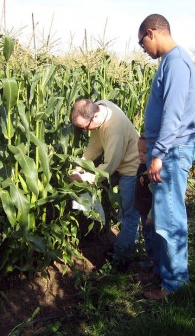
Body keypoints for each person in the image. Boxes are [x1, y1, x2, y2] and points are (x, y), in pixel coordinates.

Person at [138, 14, 195, 300]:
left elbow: (173, 113)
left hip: (172, 152)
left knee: (170, 219)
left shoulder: (175, 62)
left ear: (152, 33)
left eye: (142, 44)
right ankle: (166, 273)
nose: (144, 50)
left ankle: (175, 286)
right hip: (167, 150)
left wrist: (158, 153)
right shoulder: (171, 62)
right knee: (161, 217)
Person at [69, 98, 140, 267]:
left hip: (131, 170)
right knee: (123, 211)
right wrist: (79, 165)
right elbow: (94, 145)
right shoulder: (101, 106)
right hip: (120, 167)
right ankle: (128, 246)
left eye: (85, 128)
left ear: (94, 117)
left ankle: (121, 259)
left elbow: (109, 166)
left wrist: (86, 178)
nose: (85, 132)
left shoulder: (115, 129)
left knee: (130, 216)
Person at [134, 136, 155, 268]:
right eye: (139, 152)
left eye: (144, 152)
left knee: (151, 236)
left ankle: (153, 261)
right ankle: (151, 258)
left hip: (150, 215)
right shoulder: (143, 167)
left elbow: (156, 197)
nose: (140, 155)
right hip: (143, 210)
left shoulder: (152, 174)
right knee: (147, 235)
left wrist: (151, 216)